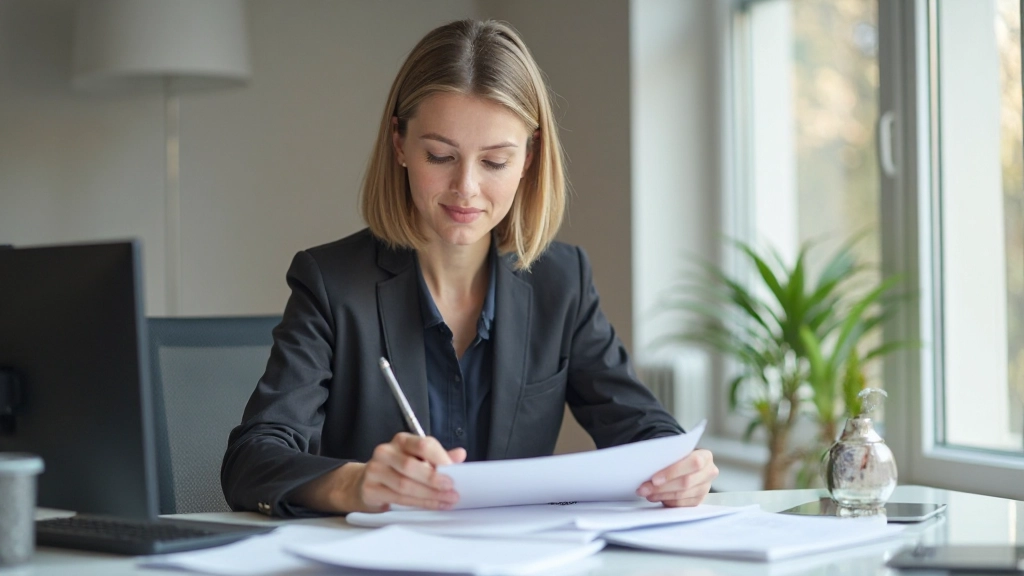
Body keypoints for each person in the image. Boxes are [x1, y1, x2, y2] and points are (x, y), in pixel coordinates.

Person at [221, 19, 717, 518]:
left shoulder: (561, 282)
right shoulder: (331, 284)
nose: (466, 188)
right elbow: (252, 460)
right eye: (440, 155)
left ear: (529, 157)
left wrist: (683, 468)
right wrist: (354, 483)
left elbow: (646, 432)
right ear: (399, 143)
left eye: (495, 162)